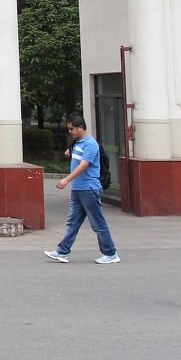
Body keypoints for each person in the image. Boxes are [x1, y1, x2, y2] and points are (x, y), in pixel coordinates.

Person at [45, 113, 119, 265]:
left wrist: (66, 179)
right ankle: (62, 251)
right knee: (73, 222)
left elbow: (84, 165)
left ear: (80, 127)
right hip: (79, 189)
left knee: (98, 224)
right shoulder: (78, 142)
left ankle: (111, 253)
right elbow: (78, 159)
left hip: (89, 189)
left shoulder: (90, 144)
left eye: (71, 129)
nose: (70, 131)